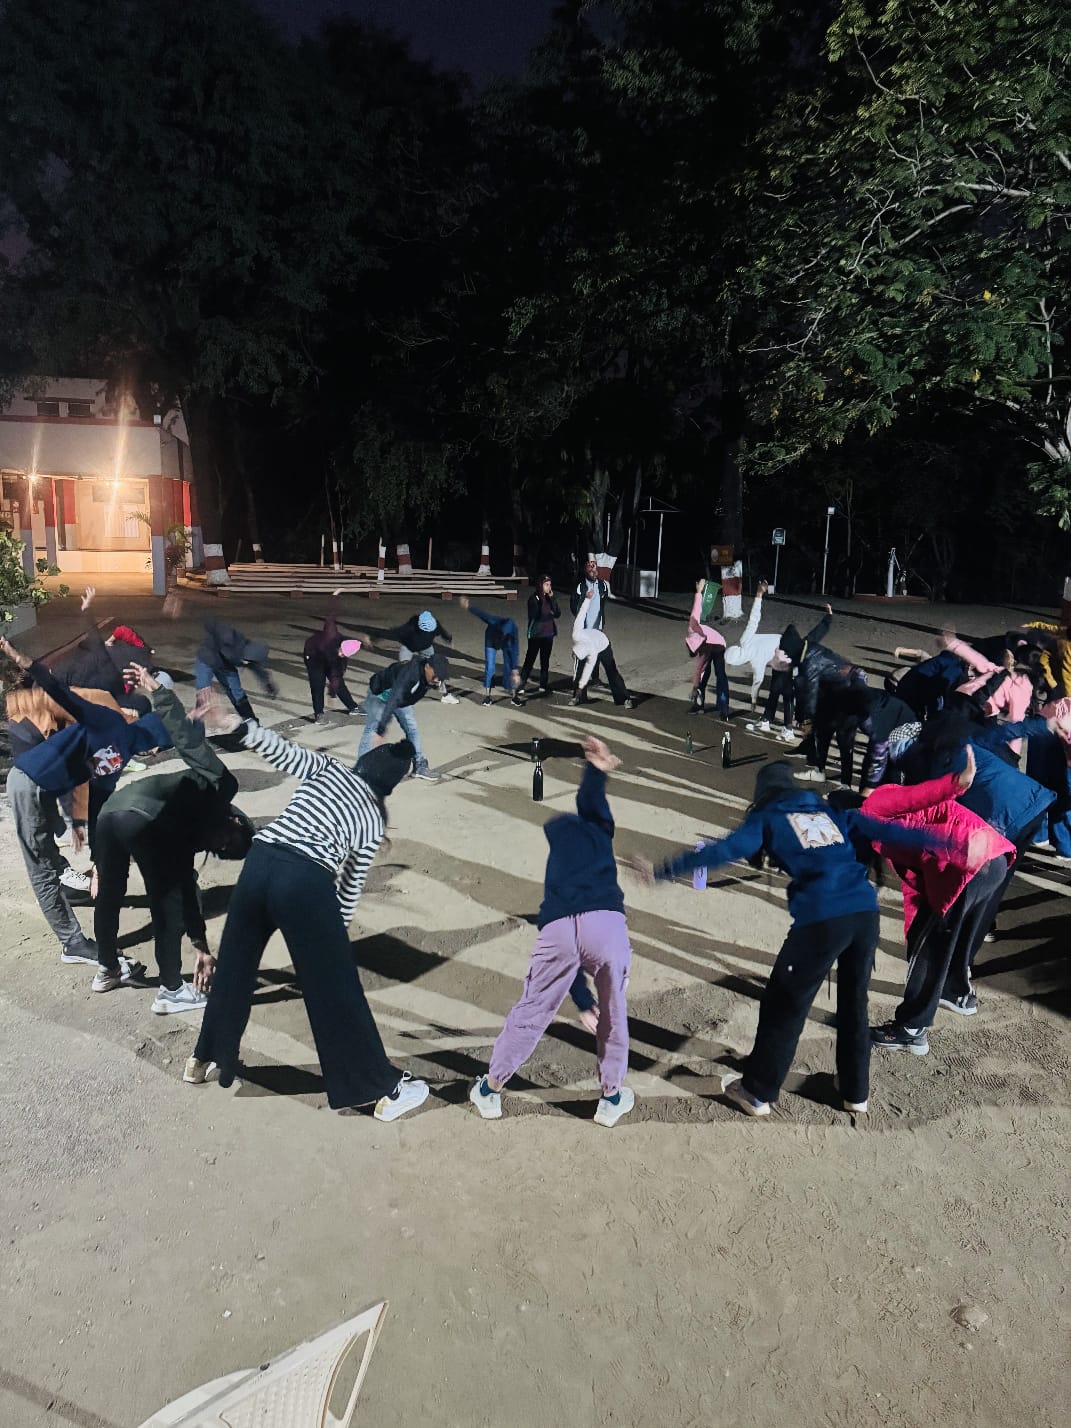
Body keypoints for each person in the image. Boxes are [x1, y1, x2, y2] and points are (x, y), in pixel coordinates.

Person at [632, 761, 937, 1117]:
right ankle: (855, 1091)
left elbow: (723, 850)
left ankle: (756, 1091)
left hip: (822, 918)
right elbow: (890, 831)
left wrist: (663, 870)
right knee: (854, 1004)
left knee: (784, 1003)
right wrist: (953, 844)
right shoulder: (827, 811)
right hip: (864, 914)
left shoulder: (769, 817)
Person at [185, 701, 430, 1122]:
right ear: (389, 787)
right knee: (335, 991)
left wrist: (233, 725)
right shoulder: (372, 821)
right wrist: (333, 939)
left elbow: (282, 750)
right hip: (303, 880)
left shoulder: (330, 770)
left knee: (235, 970)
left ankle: (203, 1058)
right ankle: (381, 1091)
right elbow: (348, 891)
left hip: (260, 862)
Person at [470, 736, 635, 1127]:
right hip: (606, 924)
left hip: (558, 926)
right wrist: (595, 769)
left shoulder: (558, 860)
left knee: (531, 1012)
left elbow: (569, 948)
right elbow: (591, 802)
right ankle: (610, 1098)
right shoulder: (599, 834)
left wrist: (581, 999)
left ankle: (490, 1090)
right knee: (613, 1013)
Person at [91, 663, 254, 1011]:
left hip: (112, 814)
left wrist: (201, 946)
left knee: (113, 893)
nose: (221, 846)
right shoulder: (222, 787)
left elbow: (187, 889)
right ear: (235, 820)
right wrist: (159, 692)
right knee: (163, 905)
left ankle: (108, 969)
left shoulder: (191, 838)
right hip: (141, 819)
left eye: (223, 852)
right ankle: (170, 990)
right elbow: (188, 742)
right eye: (229, 841)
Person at [0, 633, 170, 966]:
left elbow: (97, 807)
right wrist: (23, 661)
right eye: (155, 749)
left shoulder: (120, 756)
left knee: (47, 852)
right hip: (28, 781)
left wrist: (97, 863)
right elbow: (61, 692)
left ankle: (67, 886)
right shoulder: (108, 721)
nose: (152, 753)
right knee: (41, 869)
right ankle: (73, 944)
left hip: (46, 787)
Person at [355, 649, 448, 780]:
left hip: (401, 698)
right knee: (372, 730)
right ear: (427, 666)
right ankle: (361, 771)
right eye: (436, 675)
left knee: (412, 728)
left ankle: (419, 766)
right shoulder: (409, 675)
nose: (437, 679)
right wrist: (381, 730)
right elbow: (394, 699)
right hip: (381, 695)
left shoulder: (427, 675)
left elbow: (402, 697)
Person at [747, 607, 833, 742]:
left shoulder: (778, 646)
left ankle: (772, 722)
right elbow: (817, 633)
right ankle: (784, 727)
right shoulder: (803, 644)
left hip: (780, 675)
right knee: (787, 700)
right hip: (792, 675)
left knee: (776, 696)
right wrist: (828, 617)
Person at [195, 618, 278, 722]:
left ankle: (251, 721)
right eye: (246, 660)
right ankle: (196, 727)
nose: (246, 663)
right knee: (204, 693)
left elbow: (259, 671)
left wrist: (267, 684)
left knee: (237, 691)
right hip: (206, 660)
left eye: (249, 662)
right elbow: (213, 624)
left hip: (225, 665)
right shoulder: (231, 638)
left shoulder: (251, 659)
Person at [375, 610, 458, 704]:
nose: (427, 633)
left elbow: (442, 632)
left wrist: (448, 638)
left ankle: (445, 695)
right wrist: (375, 637)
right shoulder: (410, 627)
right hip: (408, 647)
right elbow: (393, 632)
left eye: (430, 630)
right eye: (425, 630)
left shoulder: (435, 625)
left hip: (426, 648)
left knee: (437, 669)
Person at [724, 580, 782, 714]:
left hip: (785, 650)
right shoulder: (744, 641)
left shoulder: (756, 662)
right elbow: (753, 619)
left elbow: (758, 681)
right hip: (783, 639)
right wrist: (759, 595)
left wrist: (754, 700)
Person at [570, 596, 633, 708]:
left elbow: (587, 672)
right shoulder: (576, 634)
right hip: (593, 640)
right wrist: (587, 599)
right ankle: (578, 697)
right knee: (578, 673)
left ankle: (625, 699)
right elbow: (581, 614)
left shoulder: (592, 653)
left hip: (603, 644)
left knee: (612, 672)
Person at [459, 596, 522, 707]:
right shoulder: (494, 621)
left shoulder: (512, 630)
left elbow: (515, 650)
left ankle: (514, 696)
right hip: (491, 640)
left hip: (506, 643)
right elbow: (481, 614)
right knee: (490, 667)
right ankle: (487, 697)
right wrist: (468, 607)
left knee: (510, 668)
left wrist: (515, 670)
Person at [303, 605, 362, 722]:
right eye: (341, 651)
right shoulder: (331, 636)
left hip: (329, 660)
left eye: (343, 654)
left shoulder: (341, 660)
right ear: (341, 645)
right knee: (317, 684)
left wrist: (332, 692)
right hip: (313, 656)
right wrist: (334, 598)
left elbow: (336, 677)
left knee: (340, 684)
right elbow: (330, 620)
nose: (341, 654)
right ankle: (319, 714)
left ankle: (353, 707)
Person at [685, 578, 729, 717]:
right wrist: (698, 592)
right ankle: (699, 705)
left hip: (718, 644)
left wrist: (694, 687)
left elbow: (699, 669)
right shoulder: (693, 627)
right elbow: (696, 609)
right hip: (709, 643)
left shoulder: (703, 648)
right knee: (705, 675)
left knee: (720, 675)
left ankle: (723, 708)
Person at [570, 556, 611, 686]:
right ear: (585, 570)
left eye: (594, 567)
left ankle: (595, 677)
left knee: (596, 651)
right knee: (582, 654)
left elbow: (603, 601)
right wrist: (580, 618)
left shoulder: (603, 585)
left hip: (597, 627)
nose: (593, 570)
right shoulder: (581, 586)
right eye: (590, 567)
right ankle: (579, 681)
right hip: (584, 628)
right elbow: (573, 604)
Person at [520, 575, 561, 696]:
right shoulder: (533, 598)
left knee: (545, 660)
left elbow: (558, 613)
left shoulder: (550, 598)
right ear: (540, 585)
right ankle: (521, 685)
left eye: (550, 585)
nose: (549, 587)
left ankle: (543, 684)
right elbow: (536, 615)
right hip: (536, 634)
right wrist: (548, 613)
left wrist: (553, 599)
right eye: (546, 584)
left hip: (548, 634)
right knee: (530, 659)